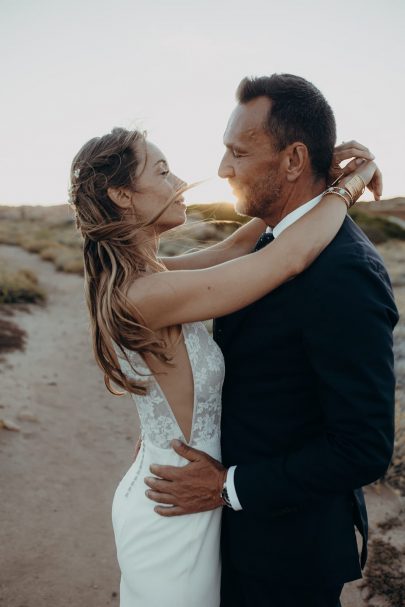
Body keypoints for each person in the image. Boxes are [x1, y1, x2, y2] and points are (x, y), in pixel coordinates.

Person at [69, 120, 380, 605]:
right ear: (122, 195)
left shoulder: (153, 275)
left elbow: (237, 247)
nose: (179, 183)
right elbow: (286, 259)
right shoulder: (146, 294)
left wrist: (308, 180)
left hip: (180, 487)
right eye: (163, 171)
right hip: (172, 508)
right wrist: (347, 186)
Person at [144, 74, 399, 607]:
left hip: (287, 555)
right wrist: (345, 185)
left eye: (238, 152)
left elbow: (363, 447)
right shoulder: (269, 241)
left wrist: (227, 487)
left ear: (292, 160)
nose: (221, 170)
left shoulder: (343, 272)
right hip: (226, 536)